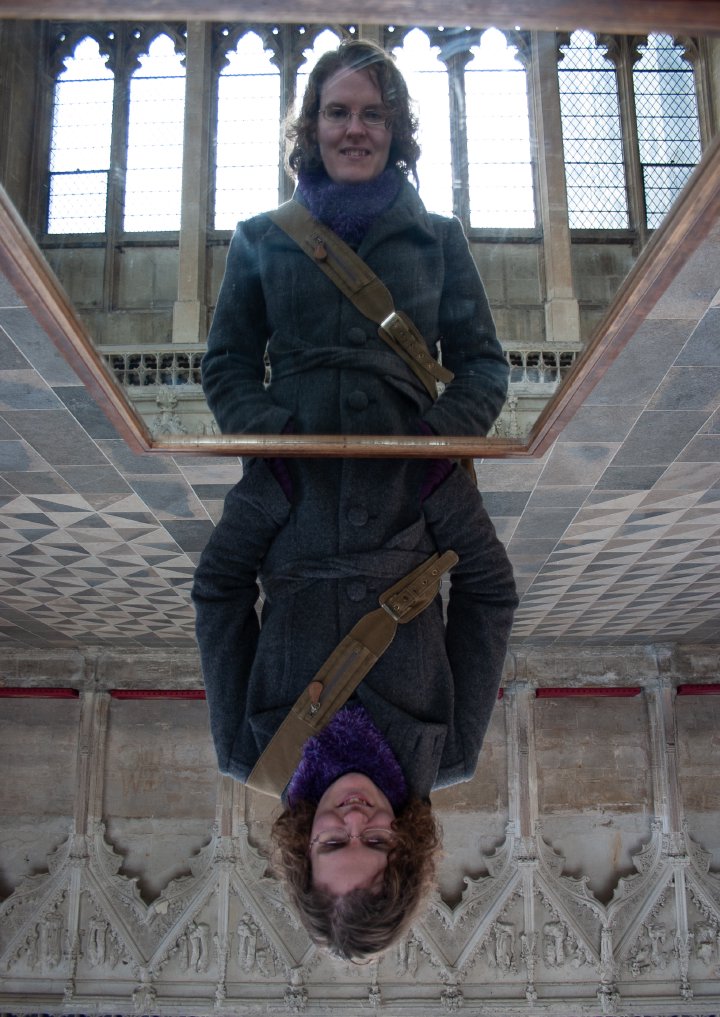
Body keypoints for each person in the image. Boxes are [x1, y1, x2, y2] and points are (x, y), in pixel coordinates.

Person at [193, 39, 517, 960]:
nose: (356, 818)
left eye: (335, 842)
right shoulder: (446, 752)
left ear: (304, 846)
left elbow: (218, 597)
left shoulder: (249, 751)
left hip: (296, 488)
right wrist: (435, 472)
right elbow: (490, 597)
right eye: (376, 842)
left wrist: (272, 475)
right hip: (406, 485)